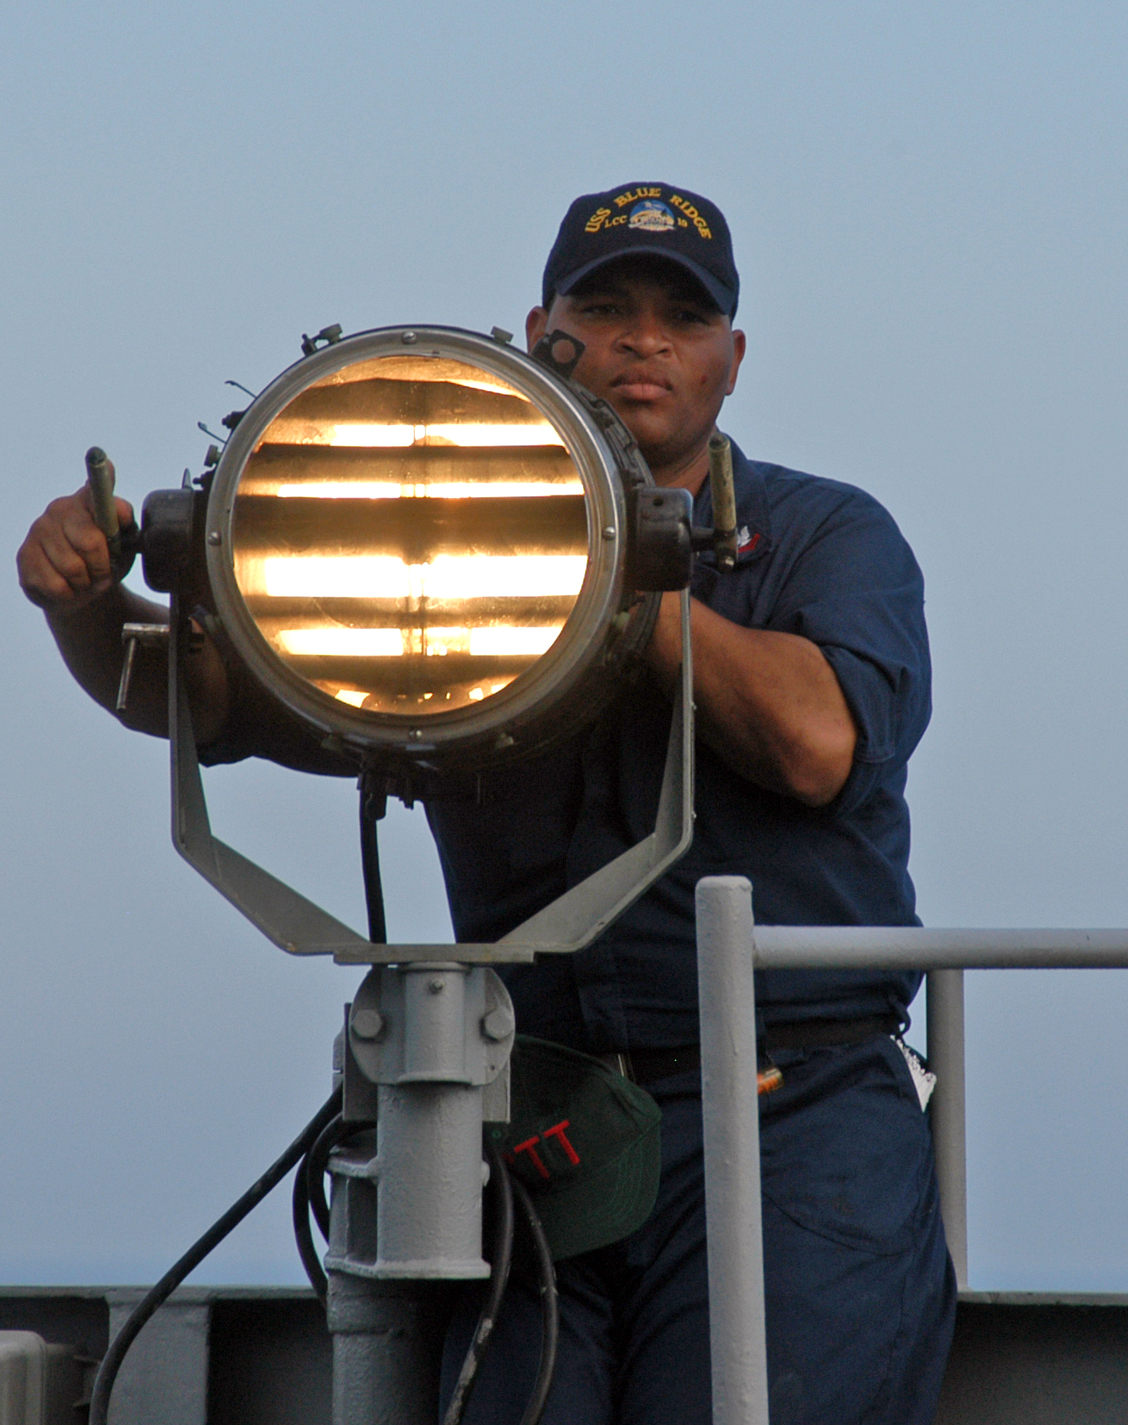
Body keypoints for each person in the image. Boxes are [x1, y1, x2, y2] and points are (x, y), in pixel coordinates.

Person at [17, 182, 955, 1424]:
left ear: (732, 358)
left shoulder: (828, 537)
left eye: (682, 317)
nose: (640, 340)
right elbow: (203, 697)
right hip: (543, 1128)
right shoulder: (449, 555)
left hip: (792, 1121)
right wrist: (87, 607)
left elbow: (818, 742)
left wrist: (612, 582)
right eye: (605, 305)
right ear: (537, 329)